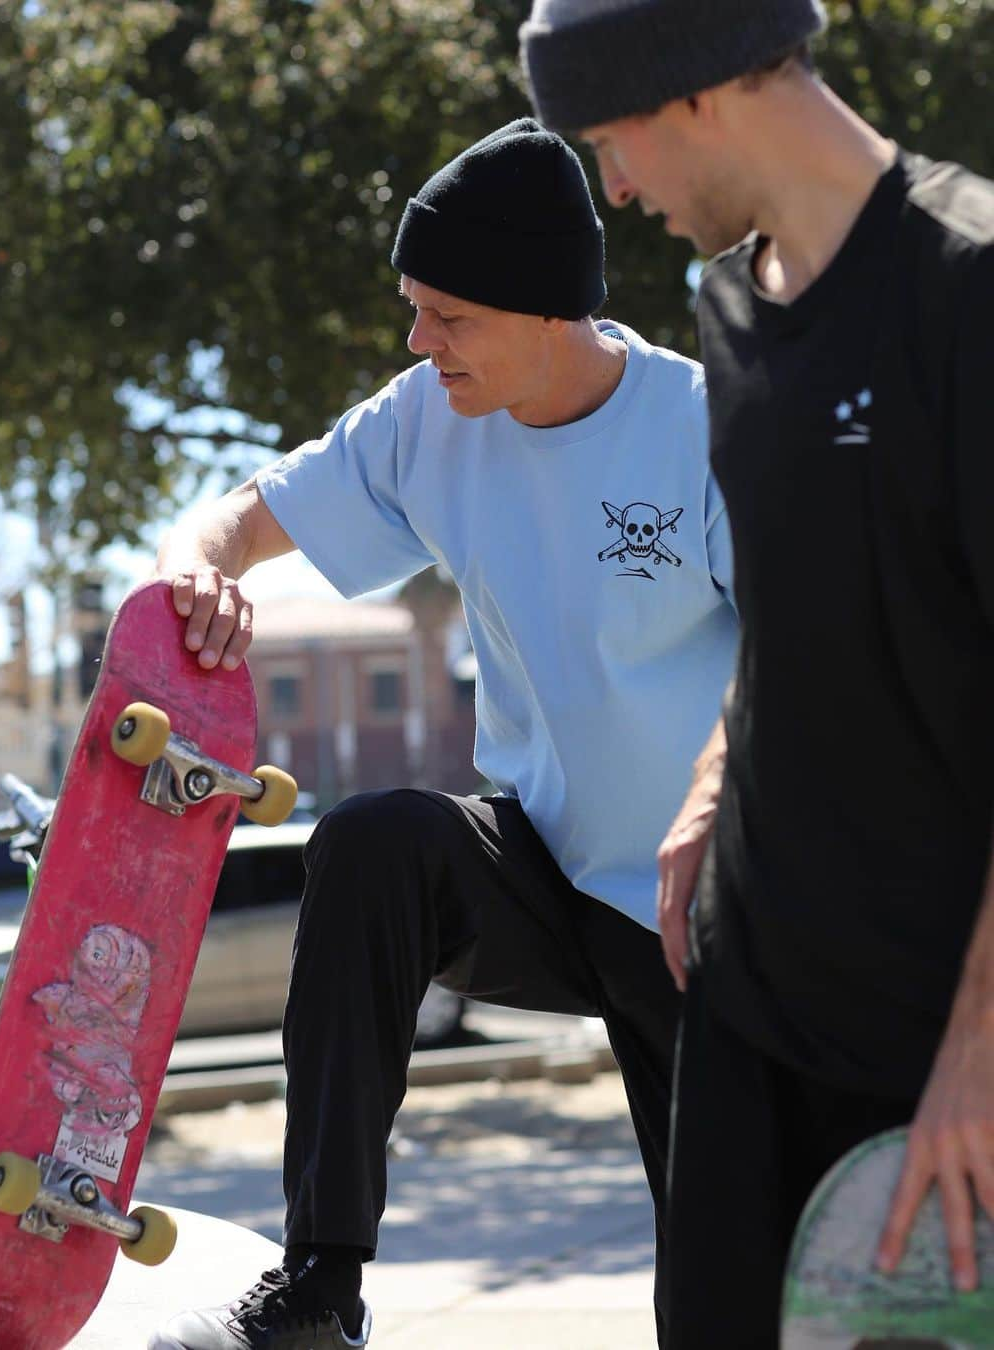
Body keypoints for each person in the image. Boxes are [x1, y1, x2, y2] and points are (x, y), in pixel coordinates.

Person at [147, 117, 737, 1350]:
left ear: (548, 309)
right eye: (413, 309)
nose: (420, 340)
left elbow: (812, 659)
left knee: (723, 1302)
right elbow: (250, 512)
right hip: (539, 867)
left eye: (448, 315)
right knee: (372, 843)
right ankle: (320, 1286)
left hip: (709, 903)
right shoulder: (429, 417)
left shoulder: (704, 428)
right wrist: (198, 565)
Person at [521, 2, 994, 1345]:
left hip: (934, 1043)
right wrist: (714, 780)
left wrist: (980, 1051)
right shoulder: (730, 308)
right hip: (749, 1007)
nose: (613, 186)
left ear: (690, 92)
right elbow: (792, 613)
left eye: (608, 139)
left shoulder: (967, 285)